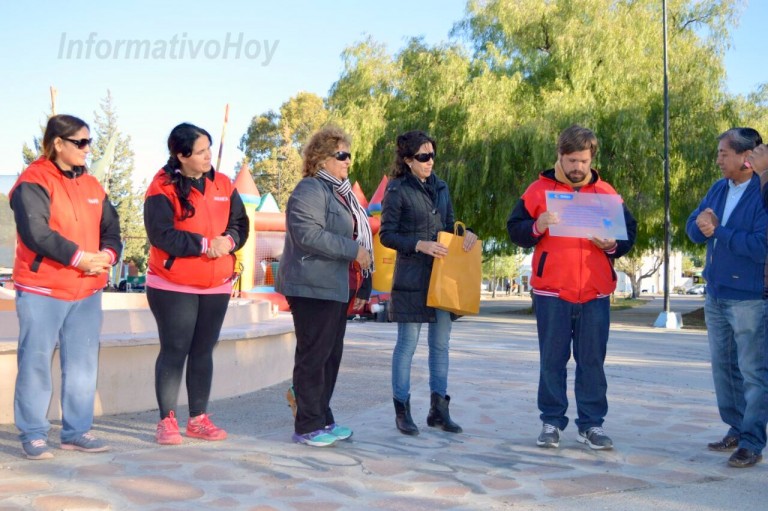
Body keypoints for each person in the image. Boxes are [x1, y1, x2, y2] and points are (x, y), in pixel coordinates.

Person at [507, 124, 636, 450]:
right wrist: (536, 225)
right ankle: (551, 422)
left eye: (584, 161)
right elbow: (514, 229)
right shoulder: (537, 191)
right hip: (552, 292)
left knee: (592, 361)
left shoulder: (607, 193)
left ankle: (591, 426)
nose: (578, 167)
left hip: (595, 293)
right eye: (571, 160)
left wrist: (611, 246)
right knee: (552, 360)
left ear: (592, 159)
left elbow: (628, 236)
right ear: (559, 157)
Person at [9, 114, 122, 460]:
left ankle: (76, 432)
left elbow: (112, 228)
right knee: (36, 361)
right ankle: (33, 433)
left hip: (86, 291)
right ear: (58, 143)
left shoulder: (92, 185)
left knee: (83, 364)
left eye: (89, 141)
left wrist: (107, 254)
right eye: (80, 142)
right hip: (44, 289)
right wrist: (78, 258)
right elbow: (36, 233)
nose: (88, 149)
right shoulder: (33, 181)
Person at [144, 123, 249, 445]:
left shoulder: (222, 183)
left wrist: (228, 241)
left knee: (203, 350)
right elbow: (161, 234)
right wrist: (205, 245)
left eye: (209, 149)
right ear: (181, 155)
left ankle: (198, 419)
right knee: (175, 350)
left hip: (216, 283)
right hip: (172, 283)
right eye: (201, 151)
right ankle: (166, 420)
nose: (208, 156)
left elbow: (240, 224)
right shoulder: (161, 186)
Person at [276, 125, 373, 447]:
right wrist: (352, 251)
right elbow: (308, 235)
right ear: (321, 159)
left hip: (335, 285)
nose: (348, 161)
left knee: (330, 356)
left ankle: (323, 418)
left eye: (349, 155)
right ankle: (306, 426)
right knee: (314, 355)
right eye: (341, 155)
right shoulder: (310, 190)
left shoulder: (340, 194)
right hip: (310, 285)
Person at [379, 130, 478, 436]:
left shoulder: (442, 187)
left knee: (441, 346)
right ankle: (402, 410)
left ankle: (439, 411)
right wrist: (419, 244)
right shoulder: (396, 190)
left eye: (432, 154)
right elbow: (387, 235)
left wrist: (467, 234)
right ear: (408, 160)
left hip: (442, 277)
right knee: (406, 346)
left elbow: (448, 227)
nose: (430, 161)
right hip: (412, 278)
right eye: (423, 156)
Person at [686, 127, 768, 468]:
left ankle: (752, 441)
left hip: (748, 298)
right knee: (724, 369)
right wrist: (701, 222)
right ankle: (735, 428)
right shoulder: (718, 188)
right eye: (718, 152)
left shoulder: (762, 193)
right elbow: (693, 229)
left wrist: (719, 230)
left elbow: (761, 245)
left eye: (724, 153)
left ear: (746, 158)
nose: (718, 159)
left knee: (753, 372)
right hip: (715, 294)